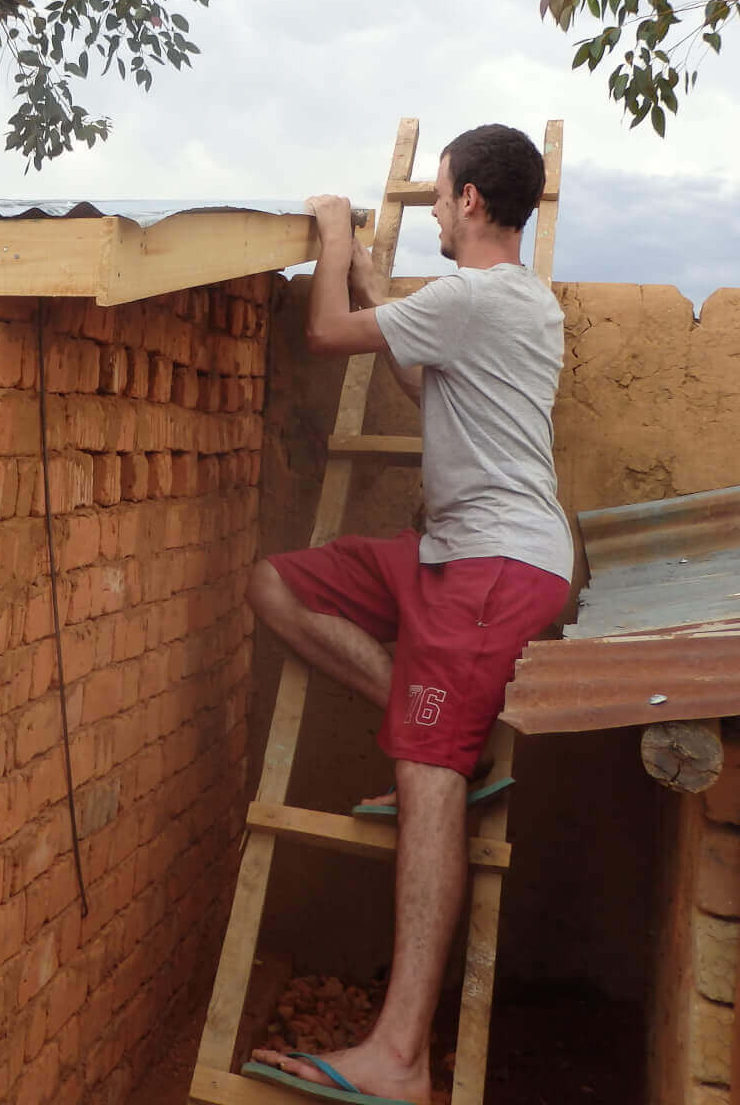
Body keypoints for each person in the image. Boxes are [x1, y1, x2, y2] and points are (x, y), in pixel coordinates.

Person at [245, 125, 572, 1105]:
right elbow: (417, 377)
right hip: (450, 557)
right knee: (278, 585)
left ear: (470, 200)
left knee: (424, 773)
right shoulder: (506, 303)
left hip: (492, 571)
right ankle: (438, 735)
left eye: (438, 197)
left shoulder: (475, 295)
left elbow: (325, 336)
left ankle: (399, 1056)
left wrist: (338, 231)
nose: (432, 210)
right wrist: (380, 288)